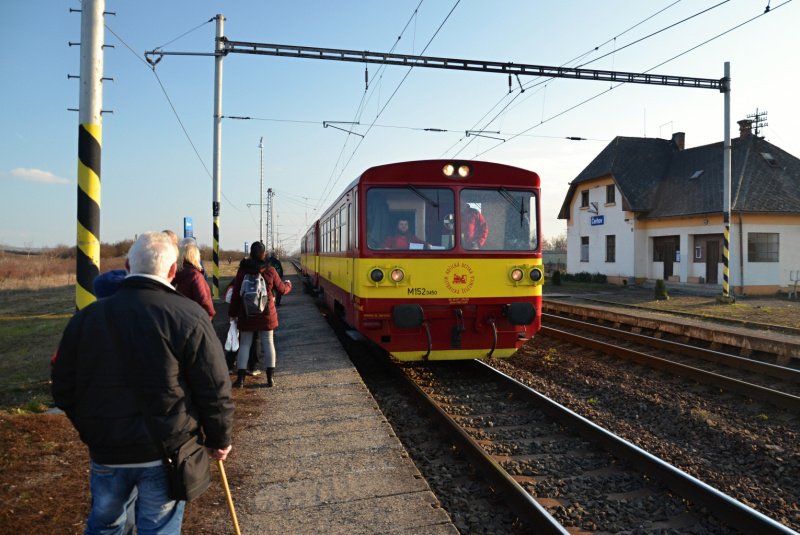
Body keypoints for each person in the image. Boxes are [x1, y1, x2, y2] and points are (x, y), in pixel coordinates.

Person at [51, 231, 234, 535]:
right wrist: (219, 438)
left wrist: (93, 429)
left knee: (105, 527)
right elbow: (214, 387)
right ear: (173, 271)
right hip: (167, 452)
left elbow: (63, 387)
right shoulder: (189, 315)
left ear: (126, 265)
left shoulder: (86, 318)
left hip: (107, 452)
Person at [228, 241, 291, 388]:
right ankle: (270, 379)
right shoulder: (269, 270)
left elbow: (236, 294)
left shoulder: (242, 270)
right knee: (269, 342)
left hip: (247, 313)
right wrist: (288, 284)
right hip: (266, 313)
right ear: (264, 254)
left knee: (244, 343)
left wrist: (232, 314)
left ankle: (241, 379)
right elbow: (281, 290)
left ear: (250, 253)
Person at [174, 240, 215, 321]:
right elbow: (203, 299)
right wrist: (211, 312)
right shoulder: (195, 275)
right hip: (196, 318)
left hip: (179, 315)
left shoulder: (175, 273)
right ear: (195, 256)